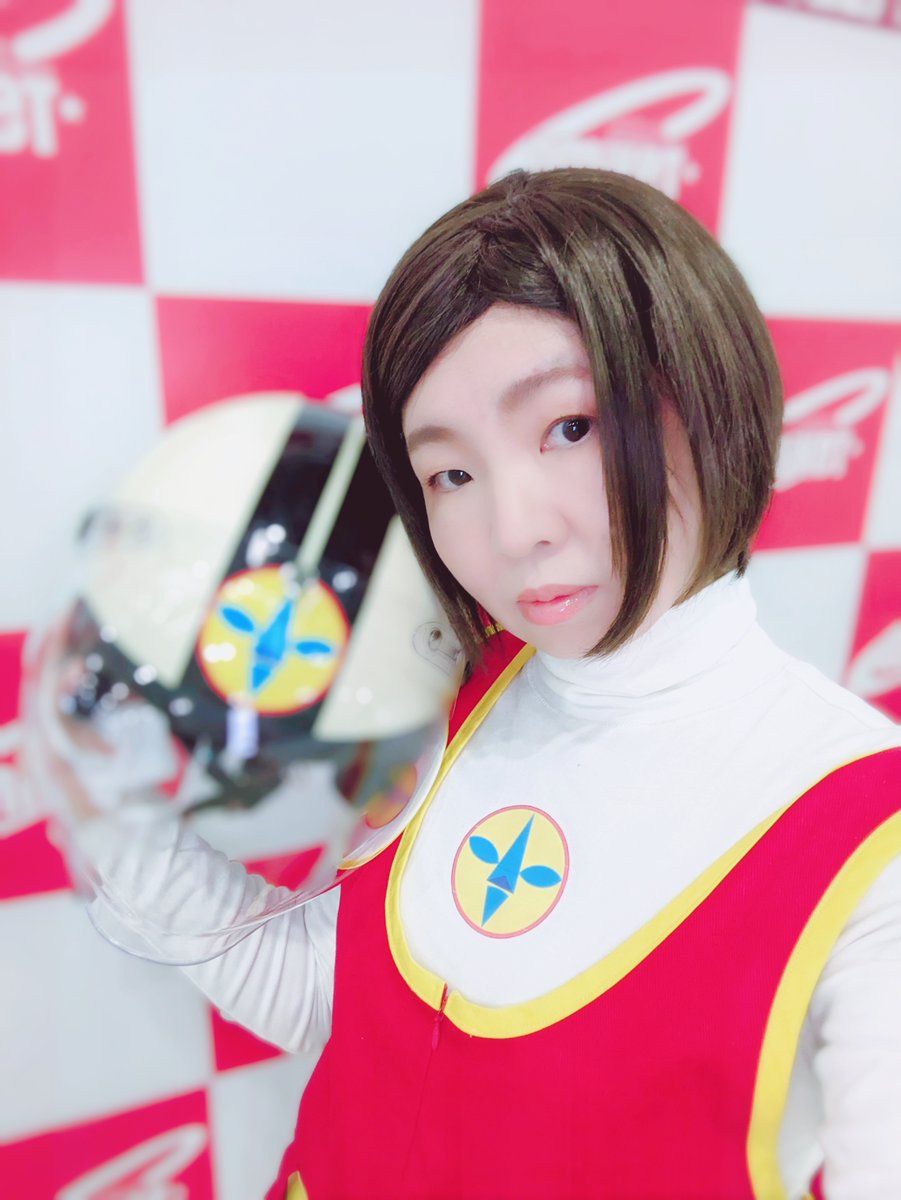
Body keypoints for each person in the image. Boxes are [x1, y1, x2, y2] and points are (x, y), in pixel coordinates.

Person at [89, 169, 901, 1198]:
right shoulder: (455, 688)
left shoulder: (866, 834)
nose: (513, 531)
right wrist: (113, 811)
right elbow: (354, 1020)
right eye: (451, 474)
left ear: (713, 398)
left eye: (570, 427)